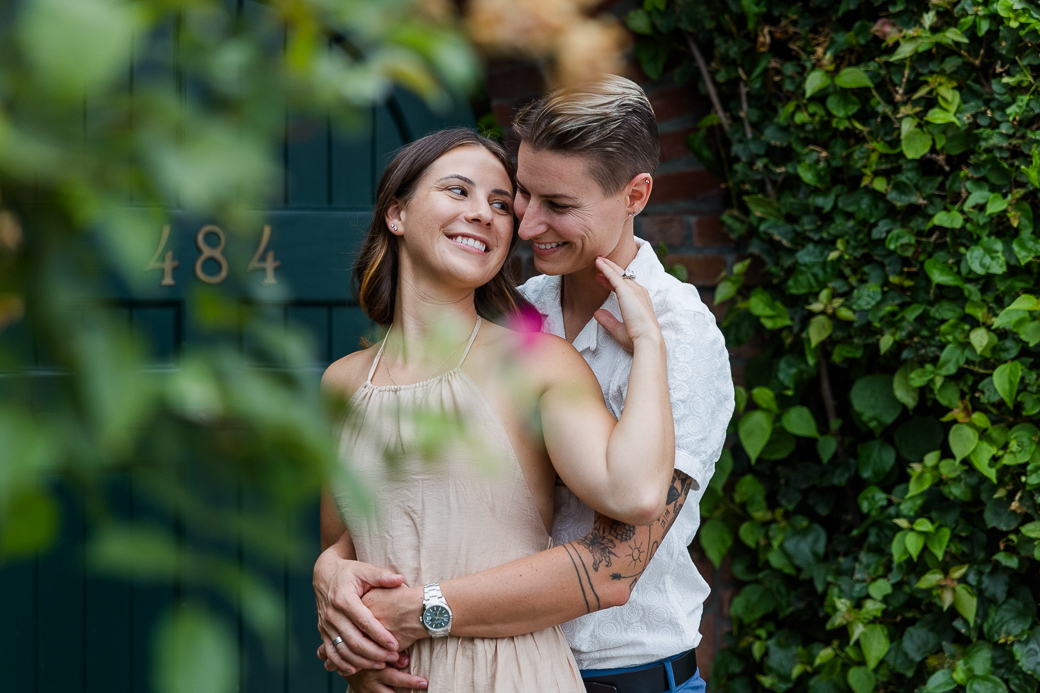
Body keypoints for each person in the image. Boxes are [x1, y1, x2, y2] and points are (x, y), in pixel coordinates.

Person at [317, 77, 734, 693]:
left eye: (558, 205)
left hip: (621, 676)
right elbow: (420, 497)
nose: (528, 224)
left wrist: (412, 615)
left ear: (635, 195)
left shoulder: (681, 337)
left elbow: (614, 567)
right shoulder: (522, 312)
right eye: (524, 195)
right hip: (462, 656)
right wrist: (335, 584)